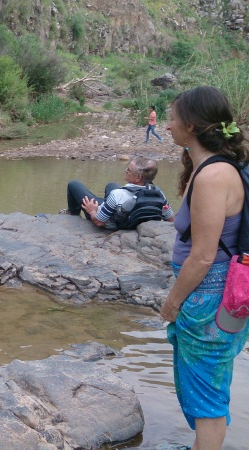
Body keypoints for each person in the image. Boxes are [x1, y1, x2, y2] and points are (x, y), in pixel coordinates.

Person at [159, 86, 249, 449]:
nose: (167, 126)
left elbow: (202, 256)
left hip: (209, 295)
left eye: (172, 118)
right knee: (207, 382)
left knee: (207, 392)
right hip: (218, 293)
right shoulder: (209, 168)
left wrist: (172, 303)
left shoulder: (213, 176)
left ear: (191, 126)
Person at [63, 156, 174, 229]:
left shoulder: (118, 194)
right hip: (131, 217)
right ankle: (106, 205)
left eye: (128, 170)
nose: (125, 170)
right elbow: (170, 220)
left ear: (137, 178)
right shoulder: (159, 194)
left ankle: (73, 215)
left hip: (114, 223)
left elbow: (99, 222)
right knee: (112, 184)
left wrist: (92, 211)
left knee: (74, 184)